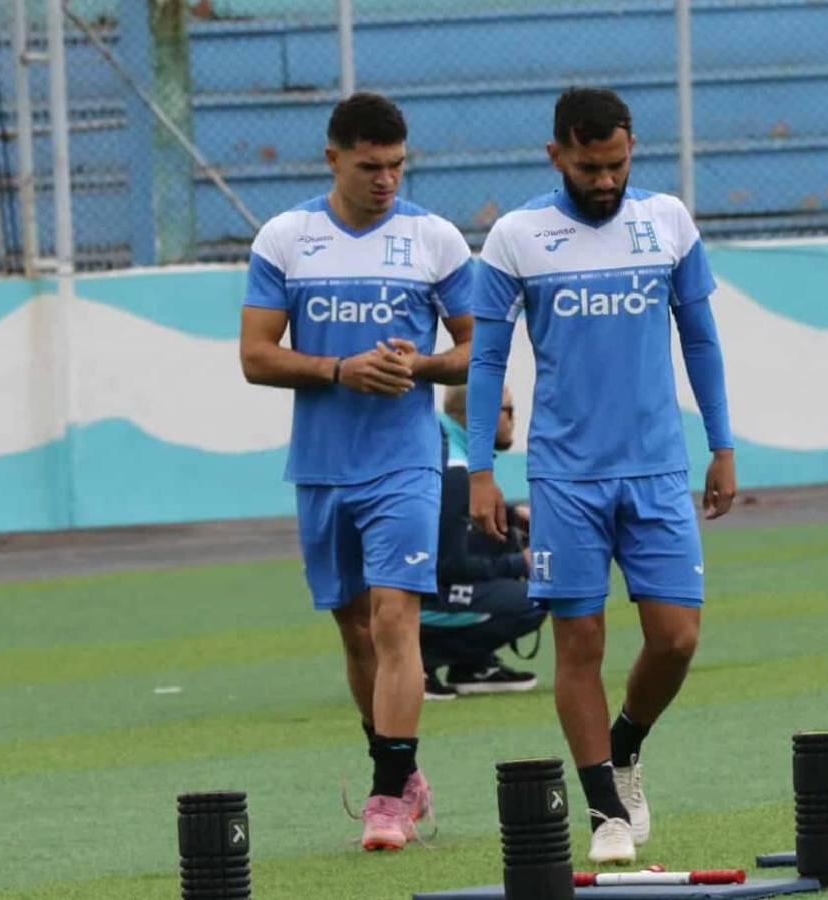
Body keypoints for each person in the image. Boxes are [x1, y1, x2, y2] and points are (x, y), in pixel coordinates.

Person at [465, 87, 736, 864]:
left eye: (618, 163)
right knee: (577, 641)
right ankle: (604, 811)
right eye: (590, 166)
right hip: (565, 479)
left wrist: (721, 445)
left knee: (677, 639)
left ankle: (626, 743)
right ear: (557, 156)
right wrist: (482, 469)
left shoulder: (670, 223)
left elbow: (702, 341)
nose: (607, 179)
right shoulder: (516, 237)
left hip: (657, 470)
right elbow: (486, 360)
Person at [239, 92, 474, 852]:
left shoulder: (434, 239)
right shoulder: (286, 237)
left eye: (397, 166)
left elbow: (478, 348)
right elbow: (256, 356)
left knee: (394, 618)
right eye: (370, 166)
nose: (386, 181)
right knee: (354, 629)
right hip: (321, 466)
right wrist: (341, 370)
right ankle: (402, 771)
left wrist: (422, 365)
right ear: (333, 158)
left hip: (406, 459)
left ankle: (384, 796)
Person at [421, 385, 546, 699]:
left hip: (401, 584)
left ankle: (473, 665)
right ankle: (416, 661)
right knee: (536, 596)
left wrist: (511, 515)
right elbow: (447, 565)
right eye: (509, 411)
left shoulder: (444, 443)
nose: (514, 420)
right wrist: (521, 563)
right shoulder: (455, 470)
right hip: (406, 595)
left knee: (502, 536)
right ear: (484, 415)